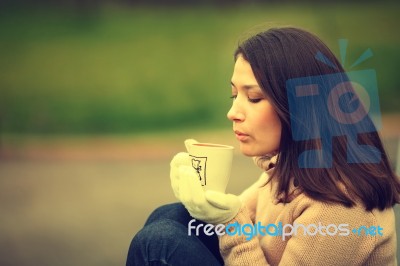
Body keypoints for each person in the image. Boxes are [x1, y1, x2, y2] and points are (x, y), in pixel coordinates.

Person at [126, 27, 400, 265]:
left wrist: (230, 223)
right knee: (173, 216)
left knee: (159, 243)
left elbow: (234, 223)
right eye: (234, 95)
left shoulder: (340, 204)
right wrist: (197, 194)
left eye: (254, 98)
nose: (233, 112)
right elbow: (233, 211)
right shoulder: (289, 169)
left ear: (301, 107)